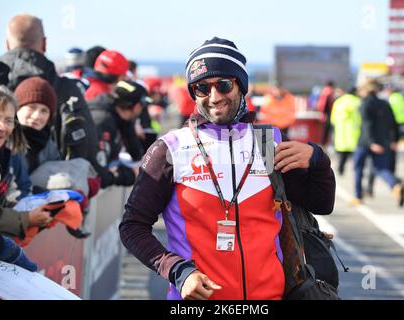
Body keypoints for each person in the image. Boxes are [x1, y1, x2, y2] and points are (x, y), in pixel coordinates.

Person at [119, 37, 336, 300]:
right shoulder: (171, 148)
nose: (214, 97)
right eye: (201, 88)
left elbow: (321, 204)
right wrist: (177, 271)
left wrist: (318, 160)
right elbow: (132, 226)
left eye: (223, 85)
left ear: (241, 86)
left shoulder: (268, 141)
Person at [0, 14, 102, 194]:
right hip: (44, 204)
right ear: (44, 44)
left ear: (7, 43)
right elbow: (88, 146)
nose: (36, 115)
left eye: (44, 110)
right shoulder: (66, 88)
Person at [0, 86, 51, 239]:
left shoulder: (8, 152)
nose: (2, 127)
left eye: (8, 121)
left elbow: (4, 201)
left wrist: (29, 210)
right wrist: (27, 218)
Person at [350, 79, 404, 207]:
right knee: (381, 169)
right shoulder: (385, 104)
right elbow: (394, 124)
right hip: (383, 142)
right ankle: (396, 185)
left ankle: (358, 196)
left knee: (358, 169)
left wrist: (371, 143)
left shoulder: (365, 104)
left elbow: (367, 125)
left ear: (366, 90)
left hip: (365, 142)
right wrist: (395, 140)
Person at [88, 80, 145, 186]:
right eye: (143, 105)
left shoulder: (118, 114)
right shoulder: (103, 121)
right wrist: (131, 175)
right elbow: (99, 174)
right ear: (137, 106)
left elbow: (135, 151)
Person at [14, 77, 61, 175]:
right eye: (31, 107)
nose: (36, 116)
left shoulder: (48, 144)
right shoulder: (3, 138)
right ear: (17, 108)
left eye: (44, 111)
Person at [330, 86, 361, 176]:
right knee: (356, 154)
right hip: (353, 132)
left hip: (340, 132)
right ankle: (356, 170)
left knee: (342, 153)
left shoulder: (338, 101)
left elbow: (333, 119)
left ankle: (340, 169)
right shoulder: (357, 101)